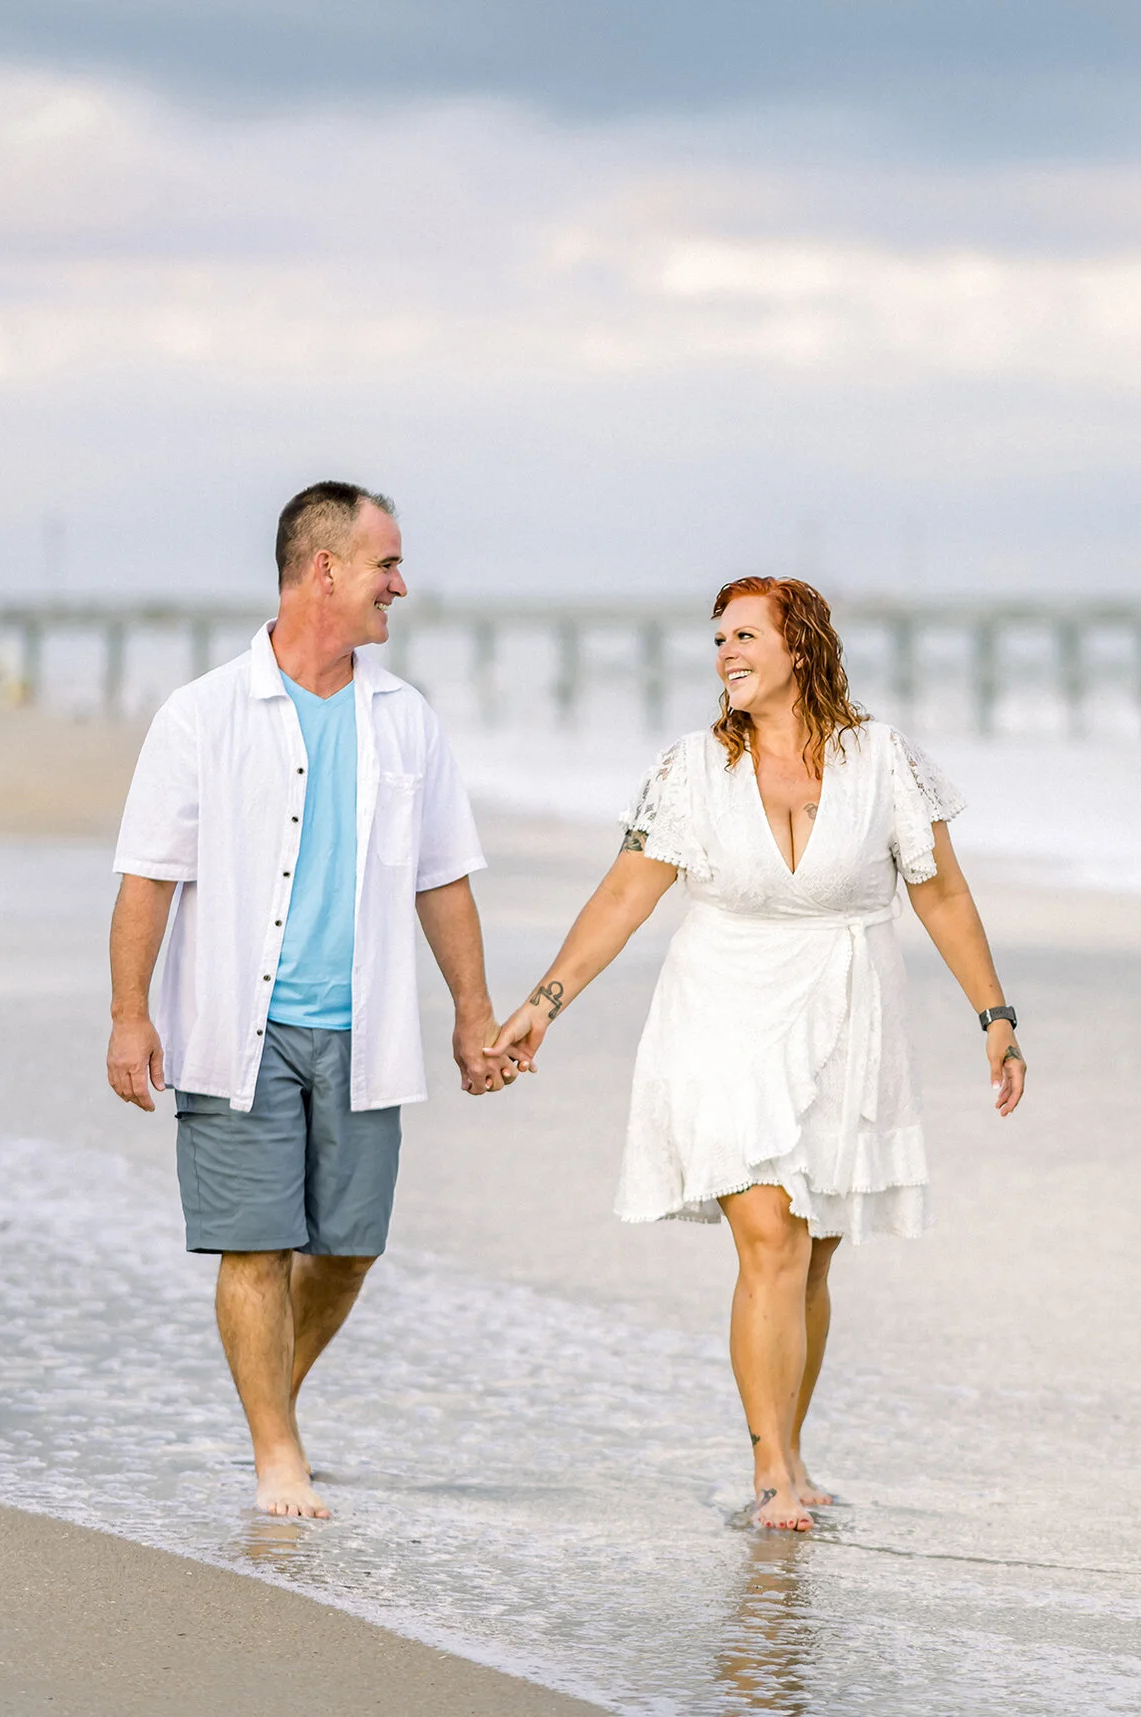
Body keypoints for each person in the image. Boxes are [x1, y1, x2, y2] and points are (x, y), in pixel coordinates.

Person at [484, 576, 1026, 1531]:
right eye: (719, 637)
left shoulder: (885, 761)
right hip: (722, 1013)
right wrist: (545, 1002)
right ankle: (770, 1464)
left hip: (848, 1015)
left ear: (800, 645)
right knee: (770, 1237)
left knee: (813, 1254)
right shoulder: (693, 769)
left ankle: (791, 1442)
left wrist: (994, 1014)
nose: (727, 652)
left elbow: (941, 893)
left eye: (746, 635)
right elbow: (623, 896)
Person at [105, 481, 506, 1521]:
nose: (401, 585)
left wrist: (472, 1012)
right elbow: (147, 877)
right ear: (324, 568)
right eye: (386, 564)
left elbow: (442, 876)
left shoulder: (404, 719)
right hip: (236, 1030)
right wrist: (128, 1014)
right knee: (254, 1244)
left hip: (364, 1032)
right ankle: (276, 1449)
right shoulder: (201, 715)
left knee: (348, 1248)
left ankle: (266, 1400)